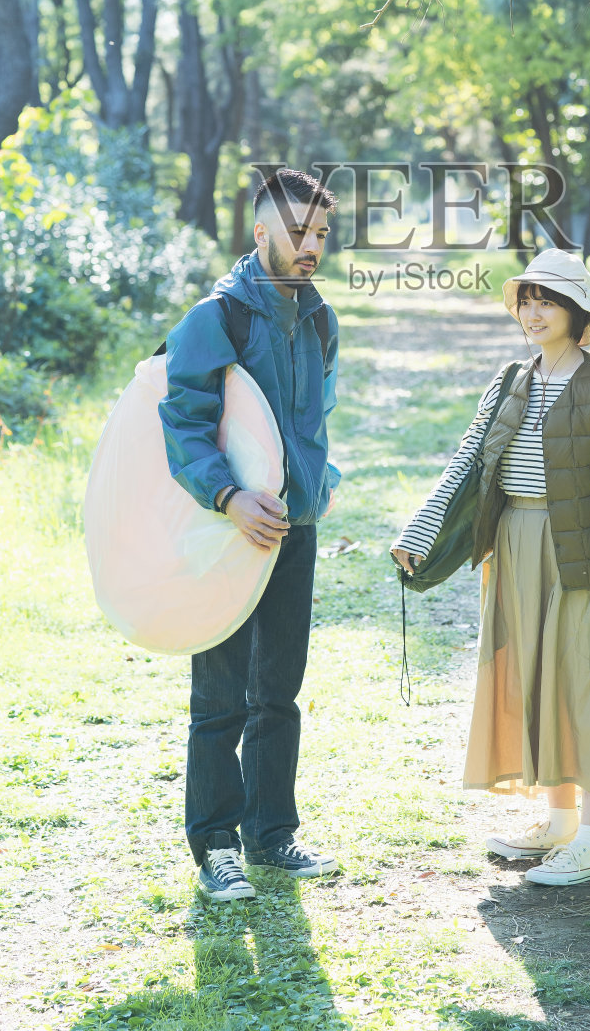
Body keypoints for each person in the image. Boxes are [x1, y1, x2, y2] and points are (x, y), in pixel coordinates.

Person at [392, 248, 590, 886]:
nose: (534, 312)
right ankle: (559, 819)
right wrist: (421, 531)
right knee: (536, 679)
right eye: (527, 300)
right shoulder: (510, 380)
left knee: (588, 681)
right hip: (515, 545)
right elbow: (466, 466)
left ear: (578, 312)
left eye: (549, 300)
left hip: (580, 554)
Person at [159, 168, 342, 900]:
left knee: (279, 693)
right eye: (300, 232)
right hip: (226, 530)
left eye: (323, 234)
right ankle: (214, 846)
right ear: (261, 231)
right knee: (222, 697)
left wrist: (317, 490)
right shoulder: (217, 318)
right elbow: (183, 422)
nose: (312, 247)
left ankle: (272, 836)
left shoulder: (321, 316)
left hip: (292, 530)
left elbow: (315, 418)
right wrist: (228, 496)